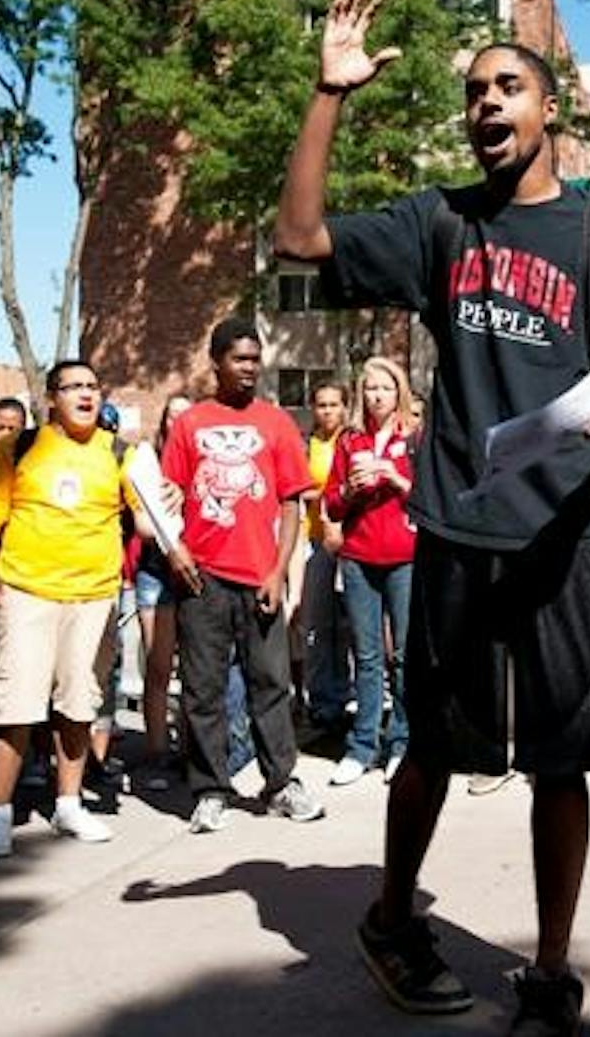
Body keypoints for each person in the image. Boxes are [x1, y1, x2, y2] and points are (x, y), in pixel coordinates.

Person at [273, 0, 590, 1033]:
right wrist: (330, 94)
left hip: (569, 534)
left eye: (507, 86)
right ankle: (388, 917)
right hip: (459, 529)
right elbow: (300, 237)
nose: (486, 104)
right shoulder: (439, 223)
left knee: (565, 763)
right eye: (474, 93)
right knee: (433, 748)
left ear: (547, 109)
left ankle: (551, 969)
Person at [0, 359, 167, 858]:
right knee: (16, 706)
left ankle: (69, 804)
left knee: (78, 702)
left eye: (93, 387)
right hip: (26, 593)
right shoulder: (21, 447)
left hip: (93, 597)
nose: (85, 395)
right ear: (52, 397)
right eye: (73, 387)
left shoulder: (119, 452)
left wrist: (166, 506)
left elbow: (143, 523)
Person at [161, 317, 325, 834]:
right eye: (240, 359)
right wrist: (176, 550)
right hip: (202, 580)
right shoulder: (190, 425)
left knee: (270, 684)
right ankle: (211, 790)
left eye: (256, 358)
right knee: (202, 690)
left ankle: (280, 784)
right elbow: (166, 499)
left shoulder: (276, 422)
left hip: (260, 579)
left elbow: (292, 503)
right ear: (217, 363)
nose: (250, 368)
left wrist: (278, 572)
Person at [324, 356, 418, 786]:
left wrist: (394, 479)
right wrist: (349, 489)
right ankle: (363, 745)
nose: (377, 395)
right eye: (370, 388)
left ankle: (402, 742)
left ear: (399, 392)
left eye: (385, 387)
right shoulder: (350, 440)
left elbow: (430, 498)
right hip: (359, 557)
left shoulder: (414, 438)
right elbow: (332, 503)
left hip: (405, 557)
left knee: (404, 655)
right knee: (366, 656)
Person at [132, 394, 192, 789]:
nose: (178, 422)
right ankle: (156, 752)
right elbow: (143, 525)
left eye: (185, 416)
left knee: (196, 669)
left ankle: (191, 749)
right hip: (156, 574)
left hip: (194, 575)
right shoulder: (147, 462)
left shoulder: (203, 462)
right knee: (158, 667)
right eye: (172, 416)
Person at [300, 380, 353, 732]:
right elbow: (295, 485)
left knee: (348, 625)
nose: (328, 411)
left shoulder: (352, 442)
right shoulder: (305, 445)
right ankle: (322, 700)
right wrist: (325, 492)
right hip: (315, 541)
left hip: (352, 542)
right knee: (318, 624)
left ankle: (347, 694)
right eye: (321, 405)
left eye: (334, 405)